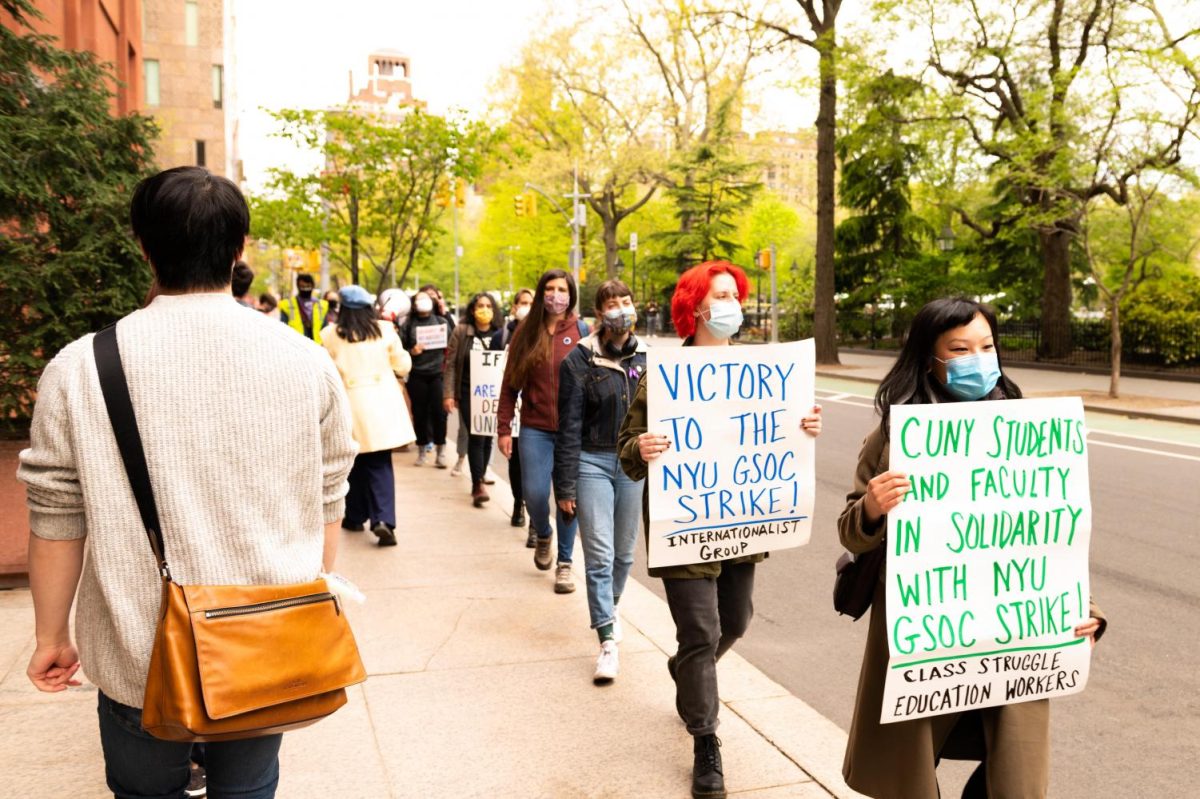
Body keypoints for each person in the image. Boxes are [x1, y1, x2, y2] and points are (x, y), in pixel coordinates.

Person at [17, 166, 357, 798]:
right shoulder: (307, 362)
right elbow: (328, 498)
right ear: (239, 248)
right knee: (249, 791)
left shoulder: (81, 366)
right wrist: (304, 609)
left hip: (137, 647)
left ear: (143, 246)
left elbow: (56, 516)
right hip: (265, 641)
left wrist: (51, 637)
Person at [836, 297, 1107, 799]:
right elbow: (851, 532)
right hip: (927, 631)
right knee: (910, 769)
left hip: (1011, 629)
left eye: (987, 347)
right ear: (928, 359)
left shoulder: (1032, 432)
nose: (978, 359)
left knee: (1012, 770)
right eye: (960, 349)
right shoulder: (896, 434)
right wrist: (873, 506)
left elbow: (1053, 534)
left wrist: (1085, 609)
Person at [618, 260, 822, 799]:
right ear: (695, 308)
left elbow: (783, 435)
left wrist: (805, 427)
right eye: (720, 295)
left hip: (741, 525)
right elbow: (626, 450)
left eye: (735, 293)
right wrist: (640, 449)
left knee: (735, 621)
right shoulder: (662, 375)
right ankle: (705, 740)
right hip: (682, 527)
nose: (732, 303)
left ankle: (686, 668)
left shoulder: (764, 371)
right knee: (702, 632)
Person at [555, 279, 646, 684]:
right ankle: (607, 639)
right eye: (613, 303)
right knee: (600, 556)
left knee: (625, 555)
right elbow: (569, 427)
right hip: (591, 461)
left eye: (626, 301)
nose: (621, 308)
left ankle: (611, 606)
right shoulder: (579, 360)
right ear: (599, 313)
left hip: (631, 464)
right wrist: (566, 486)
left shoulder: (648, 358)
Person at [498, 269, 589, 593]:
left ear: (571, 294)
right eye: (549, 288)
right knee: (534, 493)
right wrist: (504, 428)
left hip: (573, 432)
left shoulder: (582, 331)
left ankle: (565, 563)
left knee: (568, 498)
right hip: (535, 428)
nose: (555, 294)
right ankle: (543, 532)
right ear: (541, 293)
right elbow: (510, 384)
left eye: (561, 288)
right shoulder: (525, 331)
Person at [323, 285, 415, 546]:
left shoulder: (329, 335)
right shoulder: (385, 331)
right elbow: (403, 365)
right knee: (380, 463)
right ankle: (383, 519)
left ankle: (354, 516)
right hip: (381, 407)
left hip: (349, 406)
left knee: (354, 463)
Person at [442, 292, 503, 506]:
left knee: (487, 436)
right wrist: (449, 394)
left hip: (494, 393)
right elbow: (450, 365)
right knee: (476, 436)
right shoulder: (461, 332)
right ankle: (477, 484)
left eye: (488, 305)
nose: (484, 309)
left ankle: (481, 475)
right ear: (472, 309)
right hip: (469, 392)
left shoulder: (501, 334)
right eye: (480, 305)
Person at [401, 286, 454, 467]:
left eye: (426, 298)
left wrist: (445, 312)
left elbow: (453, 340)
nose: (422, 302)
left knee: (440, 414)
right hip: (417, 375)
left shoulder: (441, 321)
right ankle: (422, 449)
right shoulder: (408, 325)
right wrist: (412, 351)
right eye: (419, 299)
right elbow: (399, 350)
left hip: (438, 374)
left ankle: (441, 451)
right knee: (420, 413)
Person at [501, 289, 535, 540]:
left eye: (531, 303)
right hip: (514, 408)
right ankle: (517, 502)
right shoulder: (501, 335)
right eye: (523, 303)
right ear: (514, 307)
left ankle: (536, 517)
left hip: (536, 412)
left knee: (537, 469)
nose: (527, 307)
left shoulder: (544, 333)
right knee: (516, 462)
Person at [279, 272, 331, 343]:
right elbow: (283, 327)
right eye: (302, 286)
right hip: (296, 344)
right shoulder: (287, 305)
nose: (305, 289)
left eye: (308, 286)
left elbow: (325, 328)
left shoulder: (322, 305)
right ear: (298, 286)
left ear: (313, 286)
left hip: (317, 346)